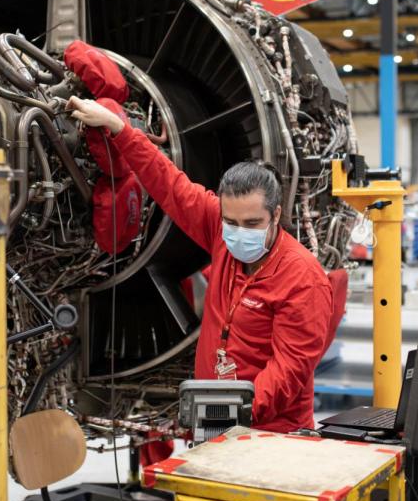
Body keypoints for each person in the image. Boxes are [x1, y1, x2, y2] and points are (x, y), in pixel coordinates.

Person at [67, 95, 334, 434]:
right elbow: (169, 184)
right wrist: (120, 128)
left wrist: (235, 413)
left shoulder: (302, 277)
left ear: (276, 215)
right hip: (217, 419)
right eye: (231, 221)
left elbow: (290, 369)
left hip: (272, 431)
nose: (238, 233)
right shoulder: (220, 231)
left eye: (252, 224)